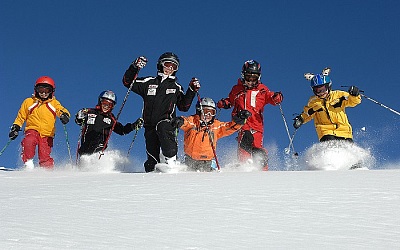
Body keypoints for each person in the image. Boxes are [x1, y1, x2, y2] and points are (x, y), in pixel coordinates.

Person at [122, 52, 200, 172]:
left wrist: (191, 91)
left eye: (174, 67)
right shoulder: (148, 82)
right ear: (160, 64)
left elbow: (184, 107)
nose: (170, 68)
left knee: (162, 126)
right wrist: (135, 67)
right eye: (167, 64)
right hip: (149, 125)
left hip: (167, 124)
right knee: (152, 160)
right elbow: (128, 82)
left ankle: (171, 161)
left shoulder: (176, 87)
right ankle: (152, 177)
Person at [217, 60, 283, 170]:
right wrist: (225, 103)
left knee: (257, 148)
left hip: (257, 125)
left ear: (259, 77)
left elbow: (271, 97)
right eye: (248, 78)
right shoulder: (237, 89)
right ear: (243, 76)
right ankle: (244, 166)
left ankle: (262, 170)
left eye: (254, 78)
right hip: (241, 123)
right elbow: (231, 101)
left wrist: (276, 98)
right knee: (245, 140)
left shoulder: (262, 89)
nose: (251, 81)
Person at [170, 97, 251, 172]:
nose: (208, 115)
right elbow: (186, 121)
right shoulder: (193, 122)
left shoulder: (216, 126)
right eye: (205, 112)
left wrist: (239, 121)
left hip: (207, 163)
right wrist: (180, 120)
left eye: (211, 112)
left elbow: (229, 127)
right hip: (190, 160)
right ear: (199, 111)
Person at [8, 76, 70, 169]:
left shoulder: (54, 103)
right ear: (36, 90)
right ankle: (28, 163)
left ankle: (47, 171)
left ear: (51, 92)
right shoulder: (29, 102)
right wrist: (16, 127)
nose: (43, 93)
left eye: (47, 90)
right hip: (32, 129)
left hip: (47, 133)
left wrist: (64, 115)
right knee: (29, 141)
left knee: (44, 154)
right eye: (41, 90)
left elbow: (61, 110)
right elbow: (21, 116)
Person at [293, 67, 361, 142]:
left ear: (328, 87)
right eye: (317, 91)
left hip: (344, 132)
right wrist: (301, 119)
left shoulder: (338, 95)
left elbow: (353, 102)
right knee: (331, 146)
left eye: (323, 89)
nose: (321, 93)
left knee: (348, 149)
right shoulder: (314, 101)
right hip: (326, 132)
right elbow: (308, 113)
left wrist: (354, 95)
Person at [75, 90, 144, 156]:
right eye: (104, 103)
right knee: (84, 158)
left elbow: (122, 130)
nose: (106, 107)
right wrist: (80, 116)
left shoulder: (111, 118)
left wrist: (134, 126)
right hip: (85, 146)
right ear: (100, 101)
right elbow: (79, 121)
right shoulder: (90, 112)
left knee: (98, 140)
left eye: (109, 105)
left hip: (99, 147)